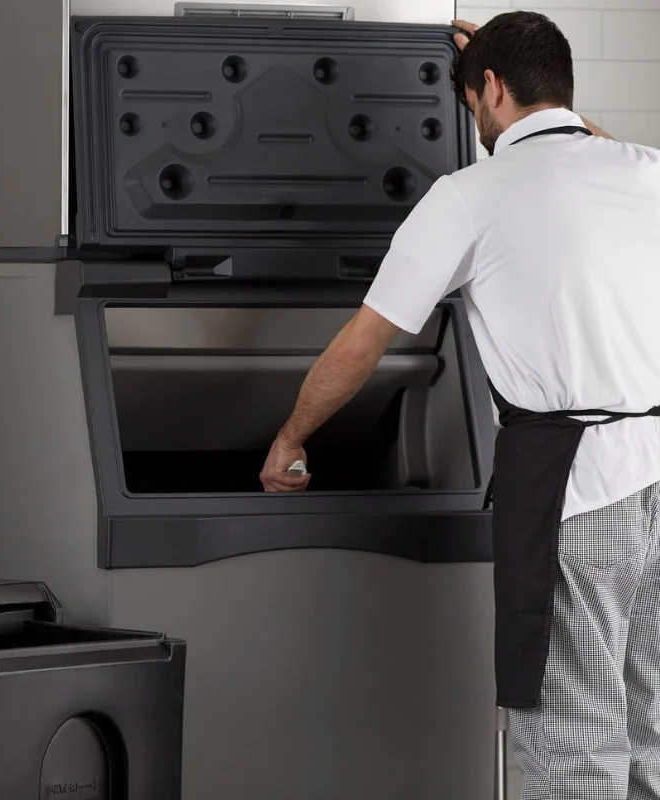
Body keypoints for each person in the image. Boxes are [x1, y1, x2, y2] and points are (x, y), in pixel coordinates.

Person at [260, 11, 660, 799]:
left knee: (575, 742)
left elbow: (364, 343)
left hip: (580, 491)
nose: (472, 113)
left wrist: (290, 437)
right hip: (656, 474)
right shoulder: (645, 169)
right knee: (651, 724)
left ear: (493, 88)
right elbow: (591, 153)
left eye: (473, 97)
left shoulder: (468, 197)